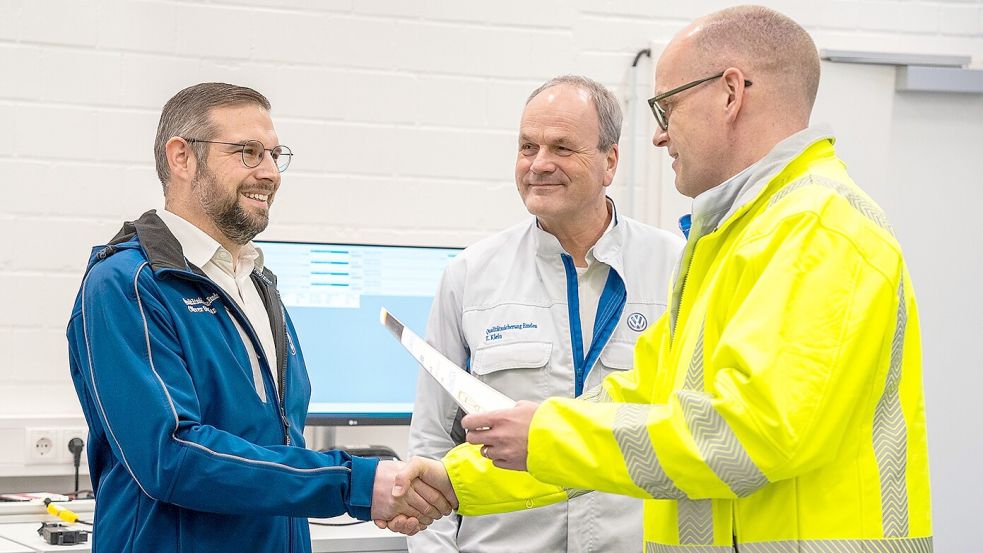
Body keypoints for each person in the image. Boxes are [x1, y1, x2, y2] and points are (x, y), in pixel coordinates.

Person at [396, 6, 933, 551]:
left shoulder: (818, 229)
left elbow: (747, 435)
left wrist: (547, 436)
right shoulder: (733, 242)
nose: (658, 135)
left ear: (730, 94)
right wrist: (459, 478)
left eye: (666, 106)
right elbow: (632, 399)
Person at [65, 82, 450, 553]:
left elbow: (275, 448)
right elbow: (173, 456)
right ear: (182, 157)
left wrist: (379, 493)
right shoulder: (129, 284)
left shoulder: (255, 282)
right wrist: (356, 484)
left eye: (274, 154)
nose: (270, 173)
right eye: (248, 152)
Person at [407, 75, 684, 552]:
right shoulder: (470, 276)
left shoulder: (675, 268)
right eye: (527, 147)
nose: (539, 164)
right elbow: (432, 438)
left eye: (561, 147)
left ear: (609, 162)